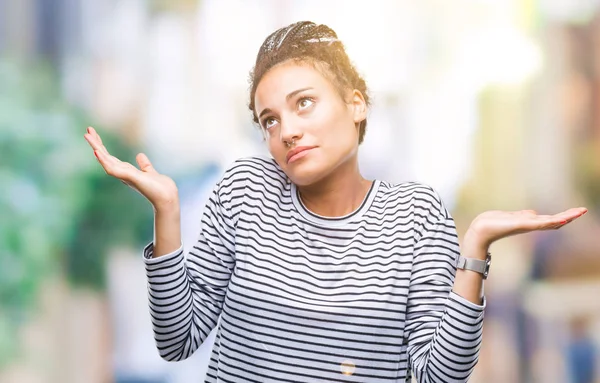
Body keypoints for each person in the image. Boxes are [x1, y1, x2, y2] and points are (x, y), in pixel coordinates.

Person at [84, 21, 587, 383]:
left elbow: (439, 375)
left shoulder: (416, 215)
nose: (287, 130)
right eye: (270, 120)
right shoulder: (244, 191)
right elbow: (178, 341)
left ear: (356, 103)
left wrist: (474, 248)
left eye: (304, 102)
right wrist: (166, 214)